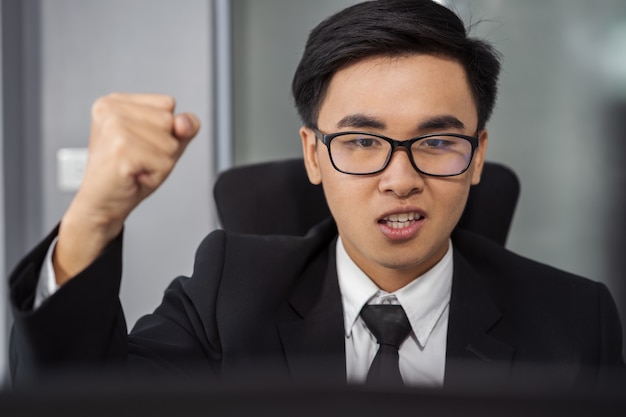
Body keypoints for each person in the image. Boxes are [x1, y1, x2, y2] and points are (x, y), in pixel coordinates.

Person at [8, 0, 625, 390]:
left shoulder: (576, 320)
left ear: (477, 156)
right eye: (361, 141)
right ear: (313, 154)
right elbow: (77, 395)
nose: (400, 179)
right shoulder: (230, 292)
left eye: (436, 142)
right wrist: (95, 216)